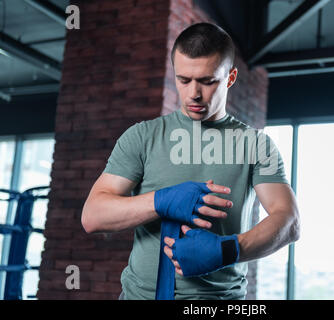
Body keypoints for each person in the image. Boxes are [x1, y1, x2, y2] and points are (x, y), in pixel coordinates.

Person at [81, 22, 300, 300]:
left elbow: (289, 220)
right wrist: (160, 201)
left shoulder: (256, 144)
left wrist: (229, 249)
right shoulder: (142, 136)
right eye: (183, 80)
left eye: (208, 81)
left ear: (230, 78)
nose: (193, 94)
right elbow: (92, 216)